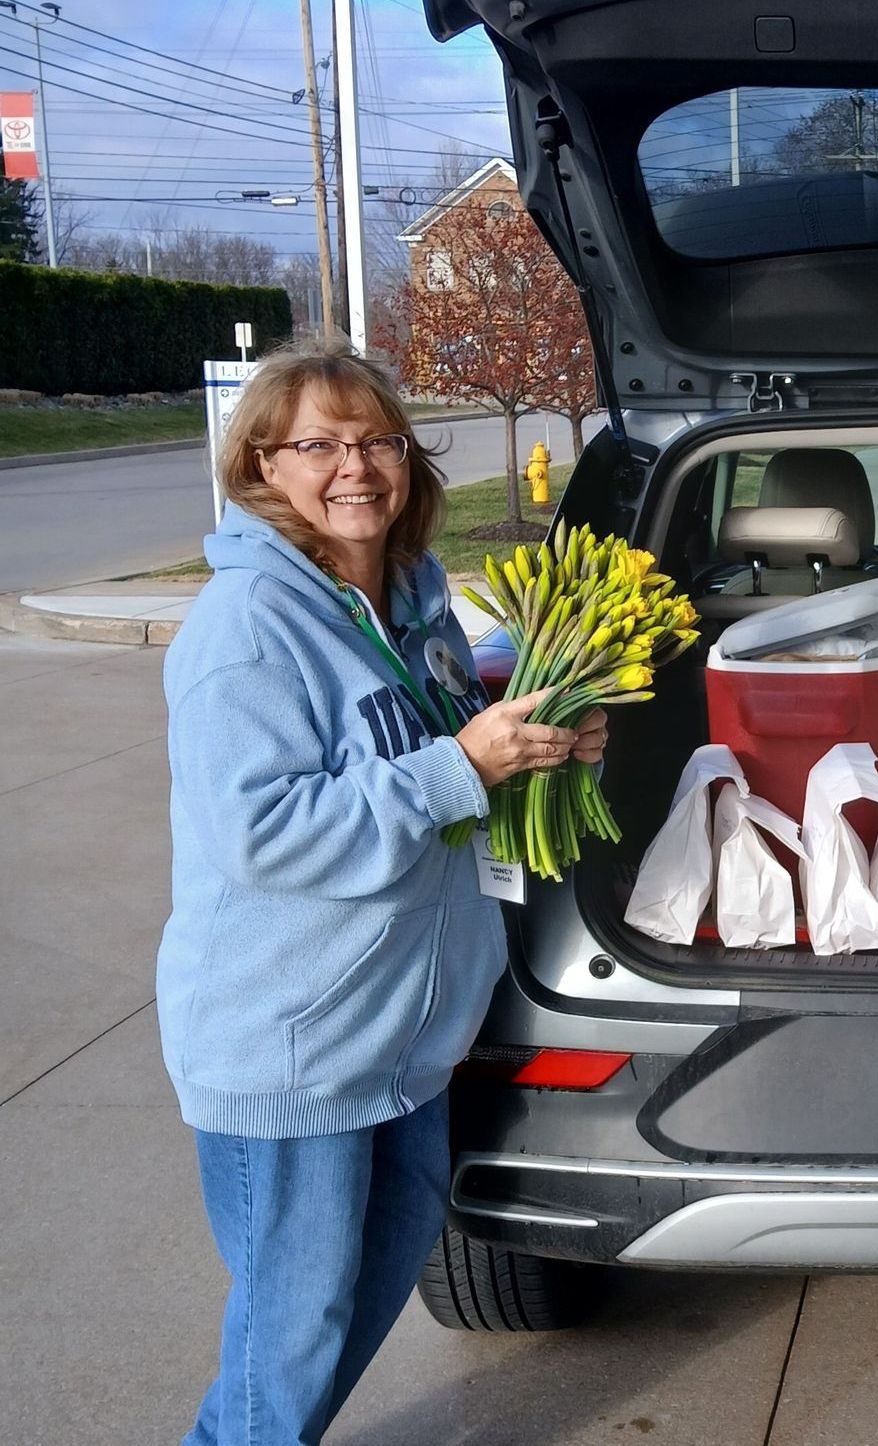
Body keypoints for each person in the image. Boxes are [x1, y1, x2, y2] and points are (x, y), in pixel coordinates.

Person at [157, 336, 607, 1445]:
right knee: (293, 1324)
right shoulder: (248, 629)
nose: (355, 467)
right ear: (263, 467)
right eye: (318, 444)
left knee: (358, 1294)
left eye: (378, 441)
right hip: (295, 1042)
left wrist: (539, 749)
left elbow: (443, 778)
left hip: (404, 1041)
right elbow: (263, 834)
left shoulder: (415, 603)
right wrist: (464, 766)